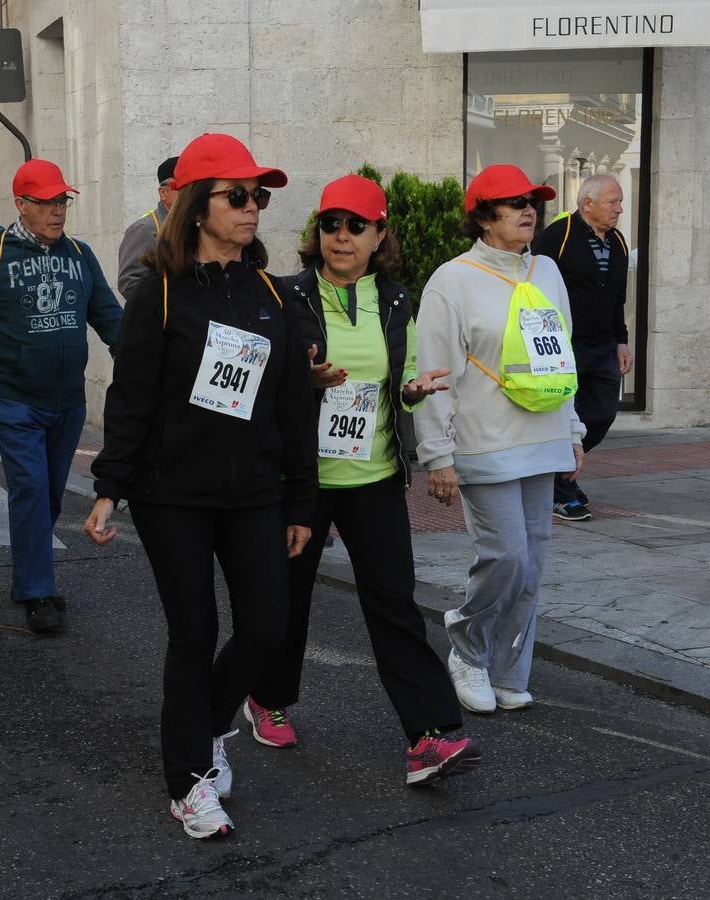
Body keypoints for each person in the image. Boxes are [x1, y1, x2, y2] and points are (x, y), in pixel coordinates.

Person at [84, 133, 317, 840]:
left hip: (253, 490)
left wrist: (302, 497)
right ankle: (187, 781)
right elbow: (131, 398)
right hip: (171, 493)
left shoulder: (276, 293)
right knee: (195, 633)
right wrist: (108, 487)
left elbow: (293, 403)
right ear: (196, 205)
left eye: (259, 197)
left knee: (268, 627)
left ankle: (211, 723)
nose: (252, 209)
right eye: (237, 196)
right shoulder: (158, 292)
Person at [244, 174, 482, 784]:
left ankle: (428, 736)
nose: (341, 237)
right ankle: (265, 697)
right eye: (331, 224)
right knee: (285, 600)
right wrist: (304, 382)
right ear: (316, 232)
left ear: (380, 235)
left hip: (374, 475)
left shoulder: (398, 300)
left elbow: (394, 382)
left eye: (356, 226)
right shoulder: (286, 295)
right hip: (302, 480)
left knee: (394, 604)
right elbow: (260, 380)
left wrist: (409, 392)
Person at [415, 164, 585, 715]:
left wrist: (574, 429)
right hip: (483, 440)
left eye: (531, 201)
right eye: (513, 203)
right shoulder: (452, 279)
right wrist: (438, 454)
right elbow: (432, 370)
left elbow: (560, 357)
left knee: (533, 564)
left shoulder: (548, 273)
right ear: (484, 218)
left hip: (544, 434)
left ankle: (510, 668)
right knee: (507, 557)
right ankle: (467, 646)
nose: (527, 209)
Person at [0, 158, 122, 634]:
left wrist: (150, 361)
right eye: (45, 201)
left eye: (61, 200)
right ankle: (39, 591)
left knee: (48, 497)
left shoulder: (81, 255)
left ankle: (28, 576)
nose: (57, 210)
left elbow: (109, 318)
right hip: (13, 397)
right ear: (21, 204)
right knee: (29, 489)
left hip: (68, 401)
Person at [533, 174, 631, 521]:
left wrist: (622, 340)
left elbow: (618, 297)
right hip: (565, 343)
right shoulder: (556, 238)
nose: (619, 209)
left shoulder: (617, 242)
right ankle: (562, 490)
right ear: (586, 203)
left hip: (603, 344)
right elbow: (534, 290)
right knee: (563, 414)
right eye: (612, 202)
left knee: (601, 414)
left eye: (620, 202)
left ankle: (558, 473)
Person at [116, 155, 178, 302]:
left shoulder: (198, 224)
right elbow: (129, 283)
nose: (189, 193)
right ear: (163, 192)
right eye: (181, 186)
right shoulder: (145, 229)